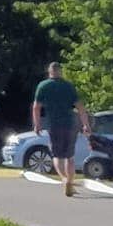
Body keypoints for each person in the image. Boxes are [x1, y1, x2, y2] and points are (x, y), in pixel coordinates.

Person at [32, 61, 91, 197]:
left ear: (49, 72)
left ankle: (64, 179)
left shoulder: (43, 86)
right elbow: (80, 107)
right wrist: (85, 124)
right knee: (70, 156)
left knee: (57, 155)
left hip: (54, 124)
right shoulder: (68, 86)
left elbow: (36, 107)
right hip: (70, 124)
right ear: (60, 71)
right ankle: (70, 181)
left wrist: (37, 123)